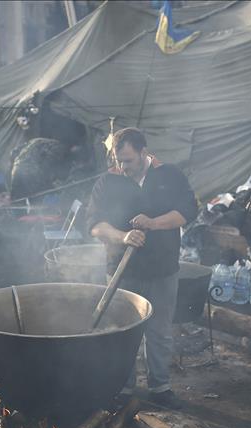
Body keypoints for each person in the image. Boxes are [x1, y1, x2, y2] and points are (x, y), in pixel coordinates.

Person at [87, 128, 199, 409]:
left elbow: (188, 211)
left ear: (144, 152)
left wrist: (153, 223)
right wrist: (122, 236)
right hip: (122, 272)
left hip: (163, 268)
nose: (122, 167)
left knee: (159, 331)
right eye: (118, 160)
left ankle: (160, 388)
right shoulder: (108, 181)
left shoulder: (169, 175)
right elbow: (95, 224)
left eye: (128, 160)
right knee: (122, 330)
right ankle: (123, 388)